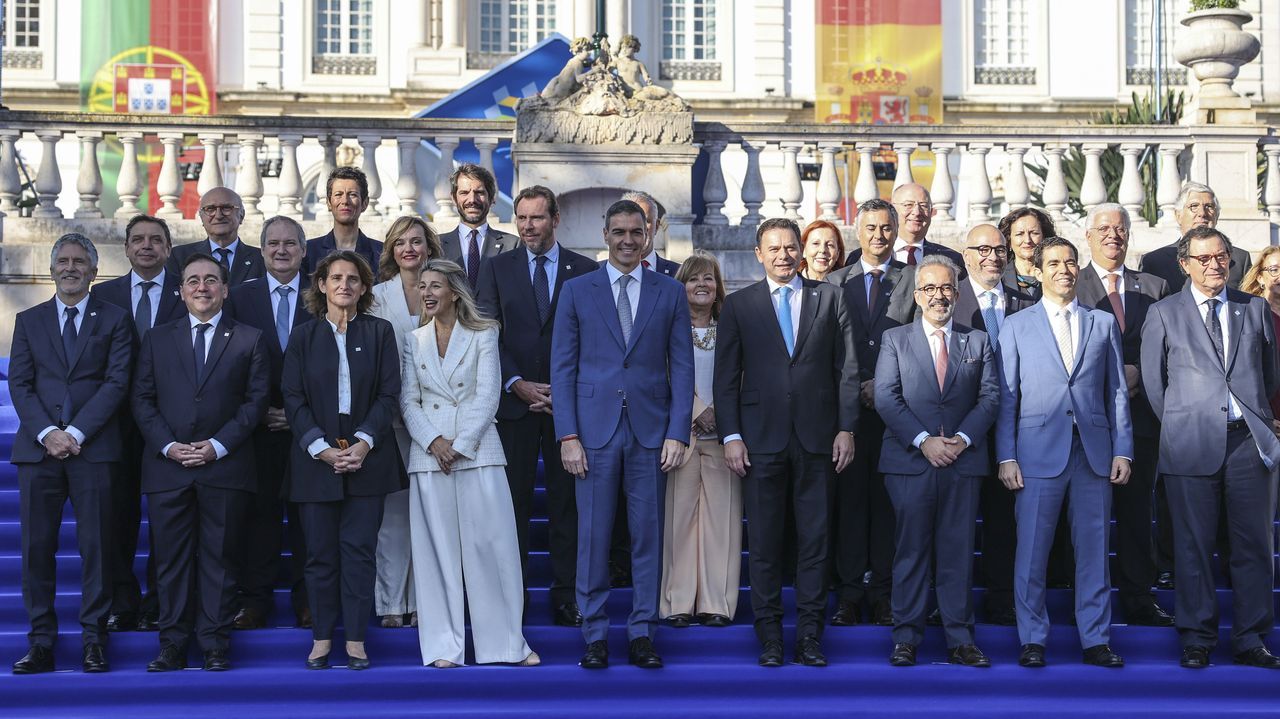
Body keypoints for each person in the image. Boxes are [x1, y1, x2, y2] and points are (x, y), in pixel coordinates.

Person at [551, 199, 694, 670]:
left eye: (636, 231)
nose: (628, 240)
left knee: (647, 536)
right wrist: (567, 436)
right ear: (605, 234)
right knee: (592, 536)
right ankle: (594, 635)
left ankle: (641, 633)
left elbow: (684, 368)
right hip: (593, 433)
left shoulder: (669, 292)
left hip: (652, 434)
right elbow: (564, 367)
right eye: (619, 232)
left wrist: (678, 432)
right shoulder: (577, 290)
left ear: (648, 234)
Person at [715, 217, 859, 667]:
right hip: (759, 442)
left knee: (815, 541)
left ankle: (810, 636)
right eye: (773, 248)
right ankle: (771, 637)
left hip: (819, 438)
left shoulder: (831, 297)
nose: (782, 255)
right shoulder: (739, 305)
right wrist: (732, 435)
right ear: (759, 254)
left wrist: (846, 427)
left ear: (800, 252)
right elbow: (725, 378)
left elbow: (848, 369)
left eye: (789, 247)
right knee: (764, 542)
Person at [1141, 226, 1280, 670]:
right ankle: (1197, 638)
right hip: (1189, 444)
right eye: (1203, 259)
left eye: (1221, 256)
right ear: (1185, 264)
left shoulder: (1254, 308)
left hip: (1247, 444)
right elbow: (1153, 384)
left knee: (1254, 546)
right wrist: (1188, 421)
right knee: (1192, 546)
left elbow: (1270, 375)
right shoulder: (1164, 313)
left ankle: (1251, 638)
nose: (1214, 265)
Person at [995, 236, 1132, 669]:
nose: (1064, 270)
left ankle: (1096, 640)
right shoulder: (1015, 326)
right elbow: (1006, 398)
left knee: (1093, 550)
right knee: (1031, 551)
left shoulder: (1102, 323)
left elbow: (1116, 392)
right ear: (1038, 271)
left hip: (1093, 454)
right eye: (1053, 263)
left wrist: (1123, 450)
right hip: (1035, 454)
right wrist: (1006, 456)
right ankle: (1032, 639)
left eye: (1070, 262)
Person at [132, 253, 270, 672]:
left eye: (211, 280)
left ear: (225, 290)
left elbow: (255, 401)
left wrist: (216, 445)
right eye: (193, 280)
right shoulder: (157, 339)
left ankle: (214, 643)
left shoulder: (250, 338)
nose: (202, 287)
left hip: (224, 467)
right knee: (170, 562)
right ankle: (172, 644)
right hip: (168, 468)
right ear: (181, 290)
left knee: (221, 560)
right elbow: (141, 399)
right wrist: (169, 446)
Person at [400, 258, 538, 668]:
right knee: (436, 553)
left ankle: (507, 646)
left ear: (455, 292)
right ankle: (444, 648)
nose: (426, 293)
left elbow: (488, 393)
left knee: (491, 549)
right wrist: (434, 441)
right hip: (429, 456)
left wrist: (459, 444)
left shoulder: (484, 333)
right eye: (422, 286)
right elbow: (408, 400)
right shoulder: (413, 339)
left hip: (478, 451)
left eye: (435, 286)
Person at [9, 234, 132, 674]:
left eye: (80, 261)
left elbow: (117, 382)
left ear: (94, 271)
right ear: (52, 268)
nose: (71, 267)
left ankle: (93, 641)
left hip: (93, 450)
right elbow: (19, 383)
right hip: (38, 453)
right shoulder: (28, 320)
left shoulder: (115, 320)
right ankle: (41, 642)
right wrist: (47, 433)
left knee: (96, 547)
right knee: (35, 549)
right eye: (63, 260)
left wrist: (75, 431)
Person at [476, 185, 598, 628]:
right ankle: (514, 596)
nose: (528, 227)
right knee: (513, 506)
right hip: (514, 407)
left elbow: (593, 339)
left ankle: (566, 596)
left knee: (568, 506)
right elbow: (487, 332)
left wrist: (562, 390)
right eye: (522, 219)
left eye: (537, 218)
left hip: (569, 411)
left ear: (555, 218)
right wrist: (517, 383)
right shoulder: (495, 268)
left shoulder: (585, 270)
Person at [876, 255, 998, 668]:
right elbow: (885, 397)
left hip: (963, 463)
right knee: (909, 551)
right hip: (910, 462)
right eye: (929, 288)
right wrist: (925, 440)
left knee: (957, 552)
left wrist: (961, 440)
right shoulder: (896, 339)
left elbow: (991, 397)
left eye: (946, 288)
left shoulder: (977, 341)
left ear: (957, 294)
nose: (938, 296)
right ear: (916, 296)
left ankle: (960, 639)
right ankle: (906, 638)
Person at [282, 251, 402, 670]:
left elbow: (389, 395)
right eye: (336, 278)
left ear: (365, 287)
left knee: (359, 552)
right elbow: (292, 399)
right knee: (318, 555)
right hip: (316, 462)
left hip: (368, 459)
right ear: (321, 285)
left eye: (353, 278)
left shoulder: (380, 332)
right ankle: (320, 639)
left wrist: (364, 443)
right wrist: (321, 447)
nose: (344, 285)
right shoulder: (302, 337)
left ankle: (354, 639)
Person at [1073, 203, 1174, 627]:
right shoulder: (1068, 282)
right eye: (1104, 228)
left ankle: (1138, 595)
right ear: (1089, 236)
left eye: (1120, 228)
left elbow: (1172, 348)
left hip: (1143, 416)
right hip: (1087, 417)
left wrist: (1138, 374)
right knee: (1083, 513)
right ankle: (1077, 592)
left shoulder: (1156, 286)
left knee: (1136, 511)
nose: (1113, 235)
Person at [90, 214, 186, 633]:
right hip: (115, 425)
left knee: (169, 521)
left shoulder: (190, 290)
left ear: (168, 249)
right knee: (117, 517)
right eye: (138, 240)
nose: (146, 246)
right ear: (126, 249)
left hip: (174, 423)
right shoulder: (104, 294)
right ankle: (122, 601)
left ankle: (160, 601)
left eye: (155, 240)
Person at [825, 199, 916, 627]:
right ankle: (848, 595)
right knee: (849, 506)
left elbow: (919, 340)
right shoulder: (833, 281)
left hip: (896, 416)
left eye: (886, 228)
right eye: (871, 228)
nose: (879, 235)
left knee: (888, 507)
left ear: (896, 233)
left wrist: (883, 385)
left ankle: (882, 592)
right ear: (856, 231)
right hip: (846, 417)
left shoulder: (914, 280)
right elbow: (825, 347)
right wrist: (855, 386)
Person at [224, 216, 314, 630]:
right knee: (257, 518)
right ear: (260, 251)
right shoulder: (239, 298)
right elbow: (228, 363)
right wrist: (257, 412)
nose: (281, 250)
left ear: (303, 250)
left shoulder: (323, 293)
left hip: (309, 432)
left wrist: (297, 417)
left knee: (307, 519)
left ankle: (307, 600)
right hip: (255, 430)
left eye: (290, 244)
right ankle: (254, 601)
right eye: (273, 244)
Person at [951, 223, 1036, 625]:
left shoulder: (1027, 301)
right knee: (956, 523)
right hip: (958, 430)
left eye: (999, 250)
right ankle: (951, 602)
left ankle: (1002, 599)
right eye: (982, 249)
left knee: (1005, 522)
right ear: (965, 256)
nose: (992, 257)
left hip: (1016, 432)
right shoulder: (949, 299)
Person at [368, 215, 443, 629]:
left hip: (438, 423)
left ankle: (424, 602)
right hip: (392, 421)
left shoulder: (446, 292)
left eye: (417, 241)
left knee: (431, 516)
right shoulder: (376, 296)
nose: (409, 249)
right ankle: (391, 603)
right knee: (394, 518)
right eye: (401, 243)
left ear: (429, 247)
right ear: (391, 251)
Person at [660, 251, 740, 628]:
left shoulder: (732, 327)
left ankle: (716, 603)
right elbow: (660, 377)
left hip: (725, 436)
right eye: (694, 279)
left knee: (720, 522)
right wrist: (695, 412)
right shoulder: (666, 329)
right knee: (680, 520)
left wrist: (719, 416)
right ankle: (677, 602)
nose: (702, 285)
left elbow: (744, 378)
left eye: (709, 278)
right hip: (682, 435)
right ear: (682, 286)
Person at [1140, 182, 1252, 292]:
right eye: (1194, 206)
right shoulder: (1155, 262)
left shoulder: (1239, 260)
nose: (1202, 213)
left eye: (1209, 206)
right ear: (1178, 215)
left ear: (1217, 216)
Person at [438, 164, 518, 289]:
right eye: (464, 192)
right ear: (453, 198)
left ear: (492, 198)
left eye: (479, 192)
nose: (472, 200)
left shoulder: (513, 245)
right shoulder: (436, 245)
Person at [845, 183, 962, 268]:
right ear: (893, 210)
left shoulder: (951, 259)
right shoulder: (859, 258)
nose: (917, 212)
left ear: (931, 212)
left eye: (924, 205)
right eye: (908, 205)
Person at [167, 187, 265, 286]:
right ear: (201, 217)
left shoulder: (261, 259)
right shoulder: (179, 257)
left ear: (241, 215)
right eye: (210, 209)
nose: (218, 215)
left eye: (226, 208)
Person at [303, 166, 383, 278]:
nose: (345, 201)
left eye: (352, 194)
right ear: (328, 203)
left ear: (365, 203)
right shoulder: (309, 252)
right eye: (338, 194)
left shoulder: (381, 253)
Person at [1239, 246, 1280, 419]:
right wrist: (1264, 418)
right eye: (1274, 269)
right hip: (1266, 410)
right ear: (1260, 278)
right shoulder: (1247, 315)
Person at [997, 207, 1055, 298]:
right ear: (1008, 240)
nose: (1027, 240)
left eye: (1034, 233)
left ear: (1045, 237)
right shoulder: (998, 280)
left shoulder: (1056, 276)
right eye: (1019, 234)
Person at [623, 189, 680, 277]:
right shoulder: (597, 272)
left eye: (645, 221)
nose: (638, 228)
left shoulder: (678, 273)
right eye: (629, 221)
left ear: (656, 226)